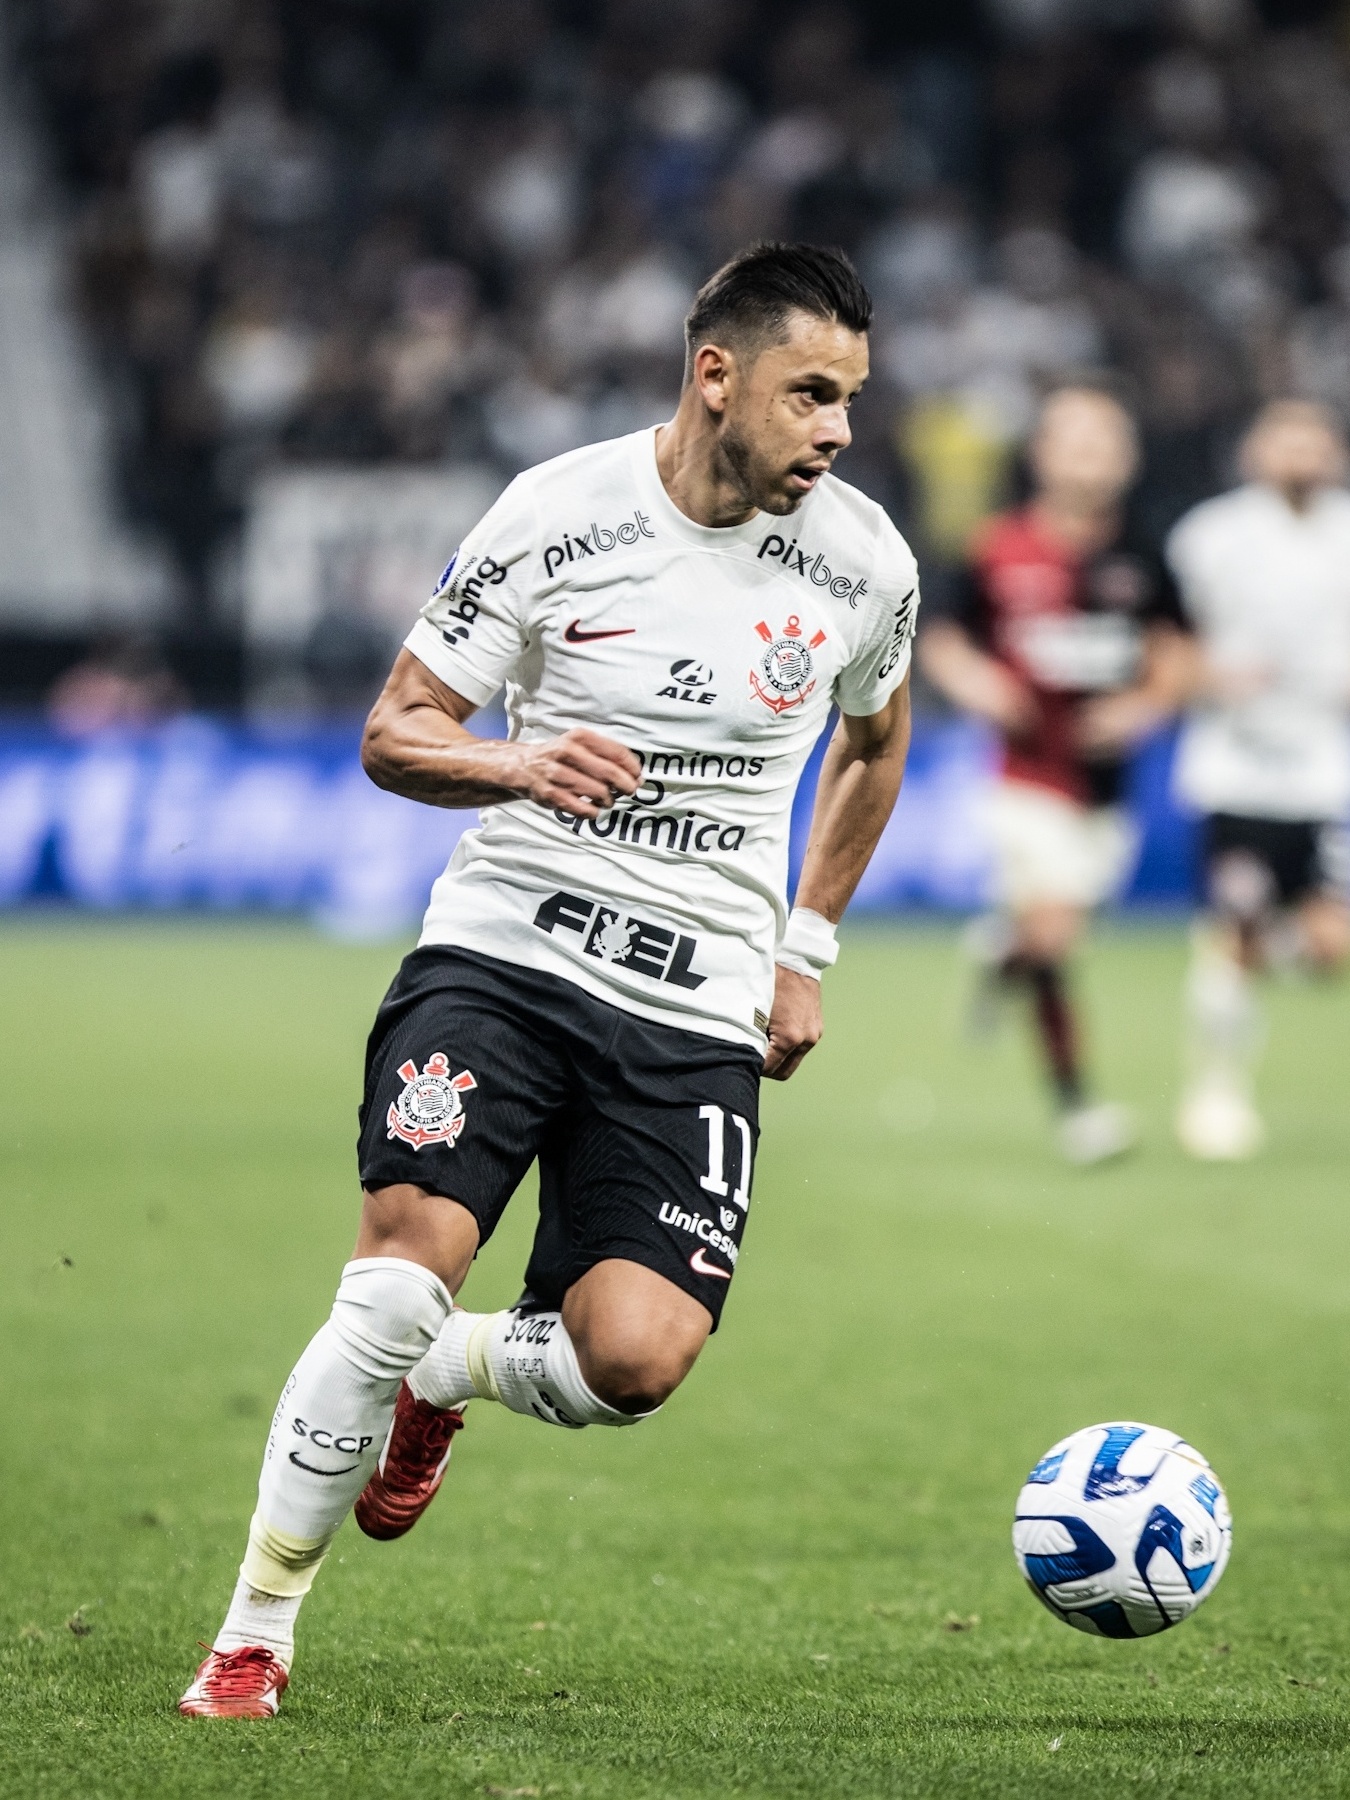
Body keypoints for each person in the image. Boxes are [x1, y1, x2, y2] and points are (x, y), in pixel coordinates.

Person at [179, 242, 920, 1718]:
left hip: (695, 1001)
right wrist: (513, 758)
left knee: (634, 1362)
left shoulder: (863, 562)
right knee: (393, 1270)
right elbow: (398, 730)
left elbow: (874, 744)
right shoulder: (556, 515)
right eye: (810, 394)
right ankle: (254, 1633)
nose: (835, 430)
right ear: (716, 375)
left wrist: (803, 947)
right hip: (507, 954)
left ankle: (441, 1380)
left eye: (849, 399)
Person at [919, 385, 1193, 1164]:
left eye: (1105, 443)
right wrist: (980, 685)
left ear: (1128, 459)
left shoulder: (1143, 555)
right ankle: (1079, 1109)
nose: (1091, 458)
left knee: (1046, 933)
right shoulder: (997, 547)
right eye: (1075, 441)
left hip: (1106, 792)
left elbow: (1178, 654)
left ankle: (998, 951)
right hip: (1023, 779)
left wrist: (1145, 707)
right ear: (1042, 454)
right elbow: (944, 636)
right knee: (1057, 935)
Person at [1168, 399, 1350, 1161]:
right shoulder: (1209, 537)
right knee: (1234, 934)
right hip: (1234, 767)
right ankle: (1215, 1093)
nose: (1301, 453)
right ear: (1254, 451)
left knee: (1328, 950)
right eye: (1285, 439)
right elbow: (1166, 642)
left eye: (1314, 440)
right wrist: (1208, 674)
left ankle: (1273, 931)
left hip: (1323, 770)